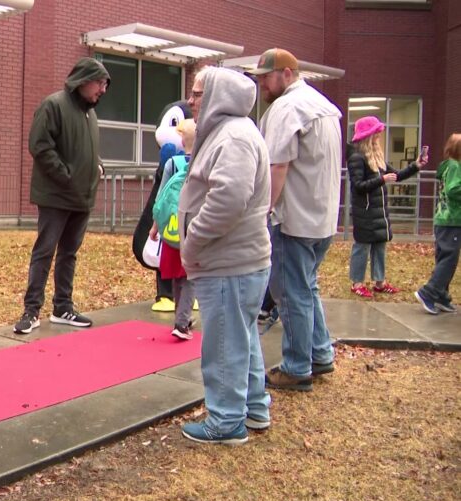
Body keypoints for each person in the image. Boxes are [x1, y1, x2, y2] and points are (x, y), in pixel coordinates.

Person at [178, 67, 272, 444]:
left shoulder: (233, 137)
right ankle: (253, 408)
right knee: (241, 337)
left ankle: (226, 420)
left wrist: (193, 241)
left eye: (198, 93)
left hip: (228, 262)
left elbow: (229, 199)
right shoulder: (230, 133)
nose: (191, 100)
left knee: (223, 343)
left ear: (217, 95)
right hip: (235, 261)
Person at [250, 48, 344, 392]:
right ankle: (320, 353)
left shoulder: (287, 108)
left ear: (287, 73)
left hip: (295, 219)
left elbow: (277, 165)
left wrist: (263, 211)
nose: (261, 83)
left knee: (291, 293)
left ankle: (296, 366)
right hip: (322, 218)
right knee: (308, 287)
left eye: (266, 76)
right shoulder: (323, 106)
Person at [13, 57, 111, 334]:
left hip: (83, 197)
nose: (103, 90)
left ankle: (62, 307)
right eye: (100, 83)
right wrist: (66, 175)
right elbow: (40, 146)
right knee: (44, 252)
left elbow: (84, 149)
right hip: (56, 196)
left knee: (70, 253)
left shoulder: (90, 114)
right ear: (83, 80)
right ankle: (31, 312)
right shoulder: (53, 105)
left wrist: (97, 165)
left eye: (105, 85)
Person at [347, 116, 426, 298]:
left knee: (380, 245)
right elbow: (358, 185)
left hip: (379, 212)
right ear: (369, 136)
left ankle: (379, 281)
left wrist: (416, 166)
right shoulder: (357, 158)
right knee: (362, 246)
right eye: (376, 134)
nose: (379, 138)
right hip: (365, 211)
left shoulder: (378, 158)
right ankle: (357, 282)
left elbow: (396, 175)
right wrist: (381, 180)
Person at [150, 118, 197, 339]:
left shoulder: (172, 163)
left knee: (178, 275)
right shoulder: (201, 162)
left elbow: (161, 197)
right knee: (188, 275)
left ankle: (182, 317)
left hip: (171, 227)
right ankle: (182, 322)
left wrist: (154, 226)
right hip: (194, 227)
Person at [415, 133, 461, 314]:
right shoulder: (456, 167)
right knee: (449, 259)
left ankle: (442, 295)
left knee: (444, 257)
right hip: (452, 219)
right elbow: (453, 190)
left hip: (442, 219)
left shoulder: (447, 166)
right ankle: (429, 292)